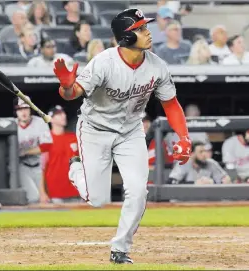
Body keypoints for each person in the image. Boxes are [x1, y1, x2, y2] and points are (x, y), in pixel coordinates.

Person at [53, 8, 191, 264]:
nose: (148, 33)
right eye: (140, 29)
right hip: (95, 129)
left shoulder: (156, 65)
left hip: (130, 131)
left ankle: (120, 249)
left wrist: (184, 137)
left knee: (138, 191)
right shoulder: (104, 62)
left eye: (145, 27)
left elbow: (171, 104)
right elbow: (74, 94)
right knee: (97, 199)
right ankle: (76, 169)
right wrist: (66, 86)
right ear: (126, 37)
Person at [14, 97, 53, 204]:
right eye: (20, 109)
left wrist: (25, 152)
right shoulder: (12, 124)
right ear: (16, 111)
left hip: (38, 165)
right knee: (33, 197)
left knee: (44, 199)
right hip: (21, 166)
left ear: (31, 108)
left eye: (26, 108)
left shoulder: (40, 122)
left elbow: (47, 146)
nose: (23, 112)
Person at [40, 105, 81, 204]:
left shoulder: (73, 137)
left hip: (76, 191)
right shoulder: (46, 139)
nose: (63, 116)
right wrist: (42, 192)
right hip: (55, 193)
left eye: (63, 113)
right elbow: (41, 169)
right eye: (59, 114)